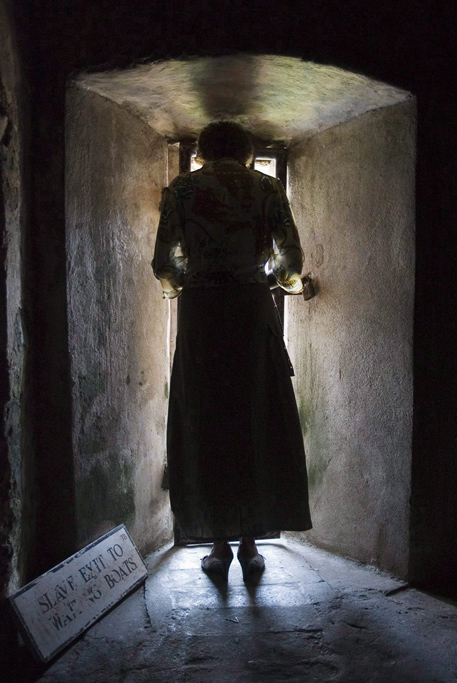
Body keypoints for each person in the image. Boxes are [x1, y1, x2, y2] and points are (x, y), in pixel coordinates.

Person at [152, 121, 312, 582]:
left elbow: (165, 264)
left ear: (201, 152)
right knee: (255, 418)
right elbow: (291, 260)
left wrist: (187, 283)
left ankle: (218, 544)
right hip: (250, 309)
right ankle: (249, 545)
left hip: (203, 314)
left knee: (207, 420)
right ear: (247, 152)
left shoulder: (182, 189)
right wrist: (285, 283)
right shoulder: (267, 188)